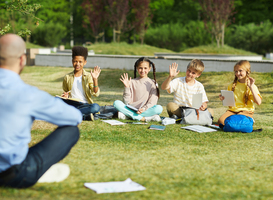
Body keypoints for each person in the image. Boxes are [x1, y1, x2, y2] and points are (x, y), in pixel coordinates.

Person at [0, 34, 82, 188]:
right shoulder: (28, 94)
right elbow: (75, 117)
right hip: (13, 175)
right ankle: (39, 171)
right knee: (71, 131)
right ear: (22, 60)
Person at [113, 57, 163, 122]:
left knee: (159, 108)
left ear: (149, 69)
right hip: (131, 109)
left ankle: (128, 116)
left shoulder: (153, 83)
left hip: (145, 110)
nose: (142, 70)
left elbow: (152, 102)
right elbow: (126, 102)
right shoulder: (131, 82)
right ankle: (145, 118)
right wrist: (127, 87)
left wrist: (143, 109)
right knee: (116, 103)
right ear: (137, 68)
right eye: (140, 68)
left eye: (145, 68)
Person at [61, 46, 100, 121]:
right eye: (75, 61)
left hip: (84, 105)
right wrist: (65, 96)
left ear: (85, 62)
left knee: (95, 107)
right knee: (56, 100)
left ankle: (70, 115)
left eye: (80, 62)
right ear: (72, 61)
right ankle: (84, 116)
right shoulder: (67, 77)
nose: (77, 64)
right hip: (71, 104)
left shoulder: (88, 76)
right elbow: (66, 93)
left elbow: (95, 93)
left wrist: (95, 79)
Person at [218, 60, 262, 125]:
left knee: (235, 122)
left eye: (240, 71)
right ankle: (246, 120)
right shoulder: (231, 85)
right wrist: (224, 99)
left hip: (246, 111)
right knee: (221, 122)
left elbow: (258, 102)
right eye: (236, 71)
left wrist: (251, 87)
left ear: (247, 71)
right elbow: (230, 103)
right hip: (233, 111)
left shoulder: (252, 86)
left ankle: (250, 119)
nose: (238, 73)